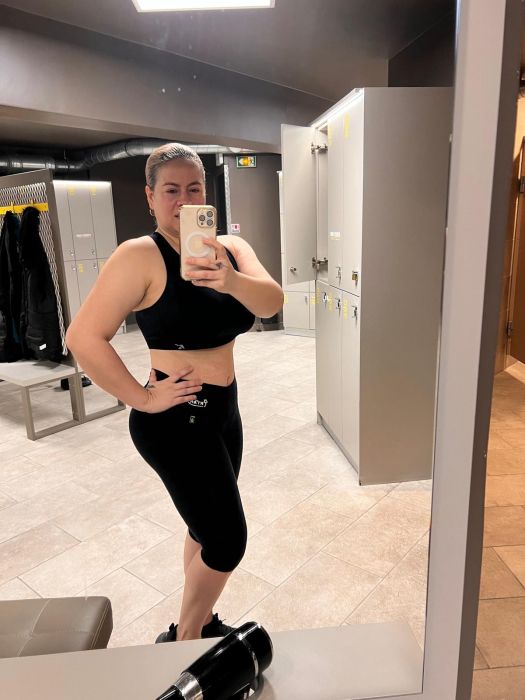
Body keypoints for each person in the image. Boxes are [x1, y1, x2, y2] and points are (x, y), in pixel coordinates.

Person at [66, 143, 284, 643]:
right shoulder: (139, 255)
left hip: (224, 412)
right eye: (171, 190)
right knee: (227, 541)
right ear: (150, 197)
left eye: (194, 188)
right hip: (175, 419)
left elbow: (271, 303)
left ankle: (200, 622)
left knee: (204, 526)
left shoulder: (231, 249)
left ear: (206, 194)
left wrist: (230, 280)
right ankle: (184, 642)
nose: (183, 200)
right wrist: (142, 399)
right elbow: (83, 337)